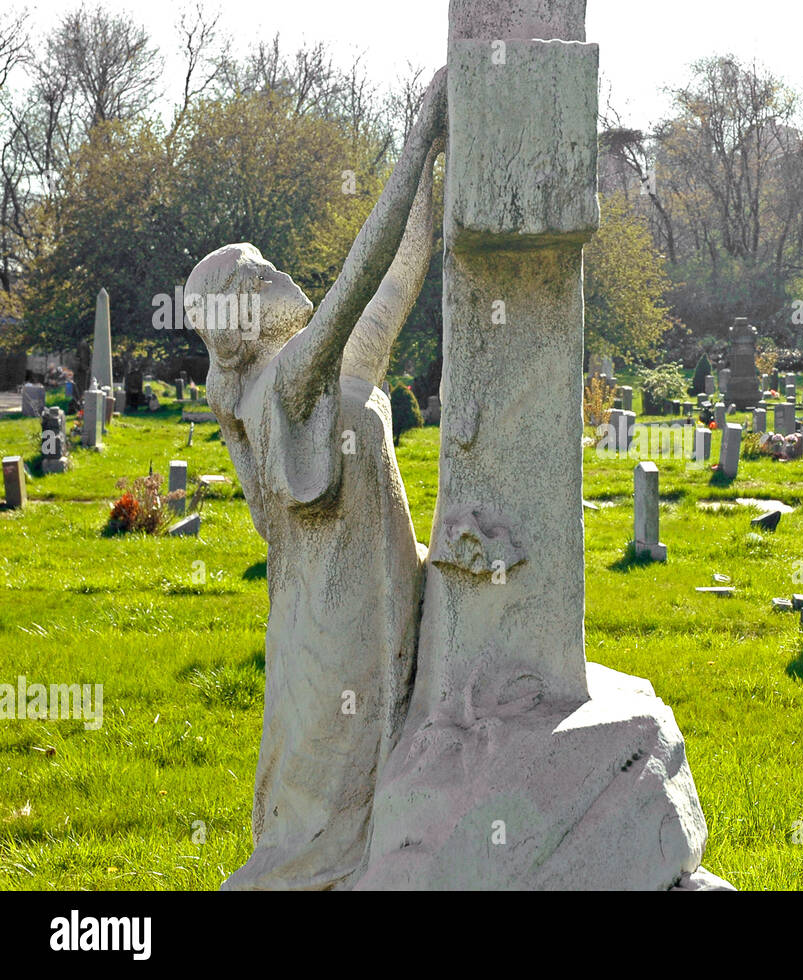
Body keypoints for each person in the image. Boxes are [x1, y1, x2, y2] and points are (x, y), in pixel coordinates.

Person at [184, 69, 446, 890]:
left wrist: (439, 168)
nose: (273, 276)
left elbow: (399, 282)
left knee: (331, 831)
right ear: (243, 314)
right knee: (316, 842)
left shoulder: (314, 379)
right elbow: (361, 274)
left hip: (338, 615)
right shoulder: (287, 381)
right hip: (335, 636)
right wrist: (412, 145)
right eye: (256, 274)